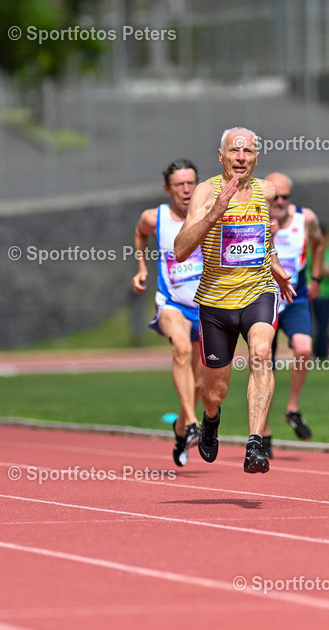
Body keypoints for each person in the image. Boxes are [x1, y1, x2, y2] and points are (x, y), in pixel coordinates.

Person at [174, 127, 295, 474]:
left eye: (248, 152)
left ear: (256, 157)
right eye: (234, 151)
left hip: (258, 292)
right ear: (221, 155)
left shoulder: (266, 191)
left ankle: (255, 443)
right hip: (215, 302)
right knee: (215, 390)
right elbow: (181, 250)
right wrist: (214, 214)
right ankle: (211, 418)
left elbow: (260, 237)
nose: (241, 157)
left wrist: (275, 267)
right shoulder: (204, 192)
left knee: (261, 353)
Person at [131, 159, 204, 467]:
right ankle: (189, 422)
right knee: (180, 348)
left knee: (201, 384)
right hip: (171, 303)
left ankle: (180, 430)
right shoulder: (155, 217)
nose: (186, 190)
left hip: (208, 307)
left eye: (191, 184)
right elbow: (140, 232)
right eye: (180, 185)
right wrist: (141, 268)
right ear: (167, 188)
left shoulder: (210, 213)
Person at [260, 172, 323, 458]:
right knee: (263, 365)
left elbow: (319, 243)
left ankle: (293, 409)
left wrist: (316, 278)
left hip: (294, 296)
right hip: (262, 298)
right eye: (276, 198)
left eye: (286, 197)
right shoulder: (253, 218)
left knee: (303, 348)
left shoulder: (305, 218)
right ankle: (264, 430)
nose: (281, 202)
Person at [310, 224, 329, 360]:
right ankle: (319, 352)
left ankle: (323, 350)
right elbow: (322, 270)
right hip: (317, 292)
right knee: (318, 323)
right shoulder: (313, 250)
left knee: (326, 323)